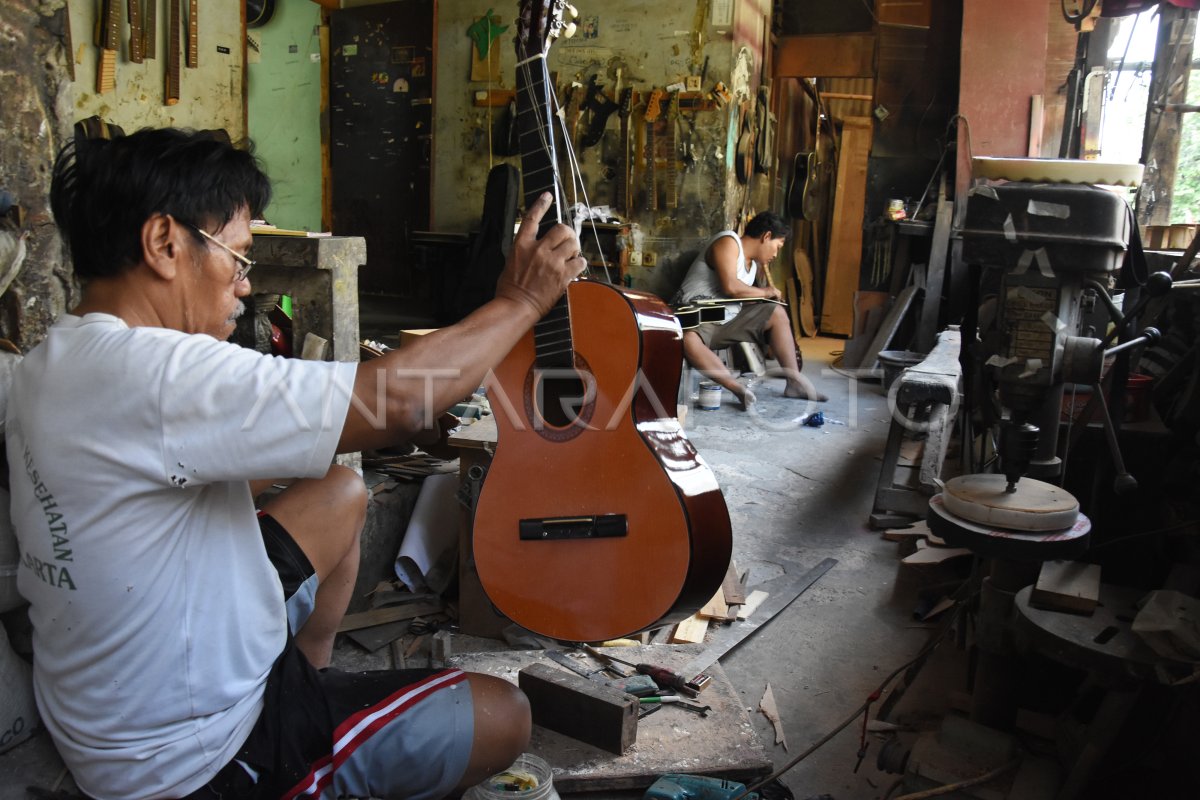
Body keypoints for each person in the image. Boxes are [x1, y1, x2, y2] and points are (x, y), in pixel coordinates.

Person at [6, 128, 584, 800]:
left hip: (106, 711)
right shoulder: (160, 373)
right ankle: (298, 752)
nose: (244, 288)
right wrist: (520, 302)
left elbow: (154, 480)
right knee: (503, 716)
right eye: (237, 257)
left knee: (339, 490)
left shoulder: (57, 358)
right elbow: (395, 399)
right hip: (195, 760)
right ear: (166, 244)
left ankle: (306, 681)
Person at [674, 211, 827, 409]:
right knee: (688, 341)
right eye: (777, 247)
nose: (775, 254)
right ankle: (737, 389)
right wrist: (765, 292)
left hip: (725, 319)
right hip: (695, 317)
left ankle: (795, 382)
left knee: (775, 312)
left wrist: (763, 303)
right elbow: (731, 286)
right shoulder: (728, 242)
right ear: (766, 236)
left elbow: (737, 298)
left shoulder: (753, 266)